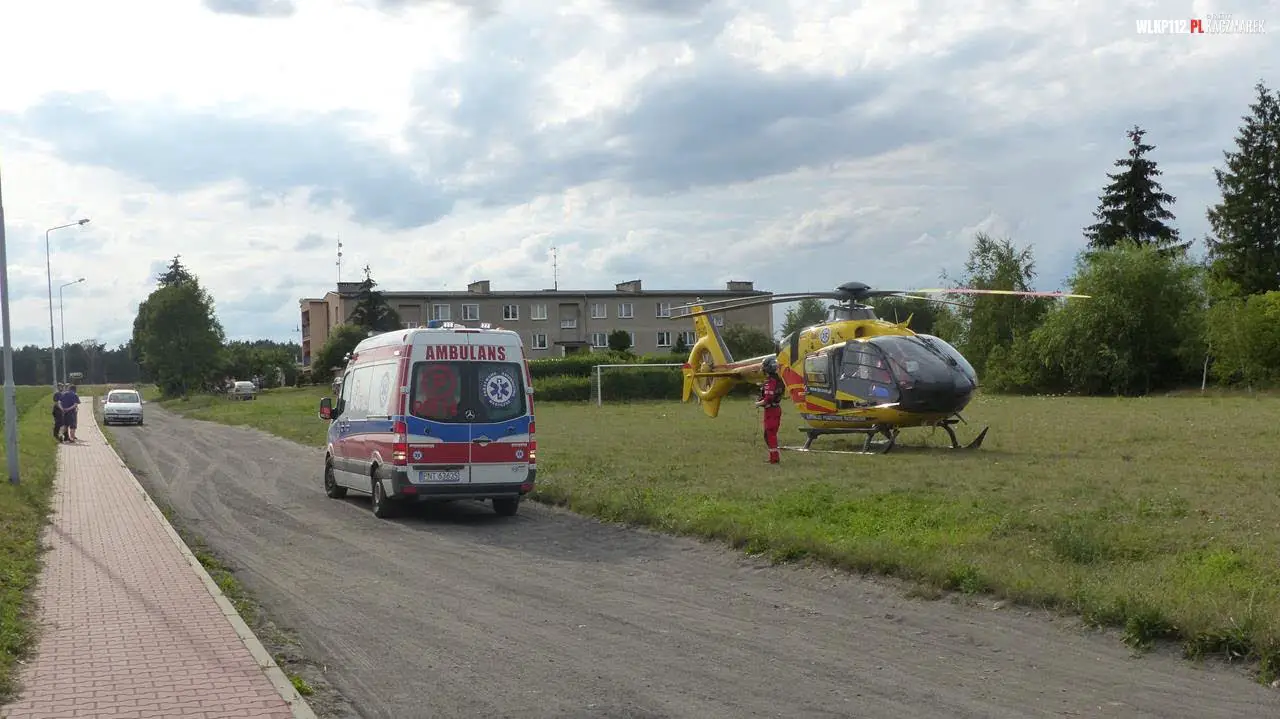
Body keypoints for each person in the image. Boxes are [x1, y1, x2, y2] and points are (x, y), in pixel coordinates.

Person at [755, 356, 784, 464]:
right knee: (768, 434)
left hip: (771, 410)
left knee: (770, 434)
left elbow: (768, 399)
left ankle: (774, 458)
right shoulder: (779, 380)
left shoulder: (770, 382)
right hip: (775, 409)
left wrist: (758, 403)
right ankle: (774, 456)